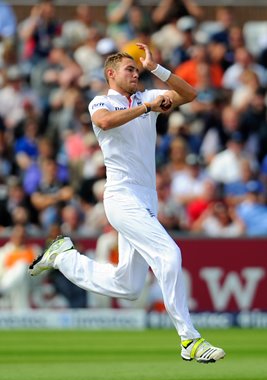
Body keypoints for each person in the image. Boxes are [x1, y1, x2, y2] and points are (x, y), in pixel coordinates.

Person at [29, 43, 225, 363]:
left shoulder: (147, 94)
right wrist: (148, 108)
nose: (135, 73)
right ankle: (189, 339)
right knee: (169, 254)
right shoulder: (101, 101)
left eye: (137, 69)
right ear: (111, 74)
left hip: (147, 196)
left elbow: (190, 95)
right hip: (121, 196)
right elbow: (105, 122)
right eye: (129, 69)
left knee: (130, 285)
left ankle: (64, 258)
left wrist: (157, 71)